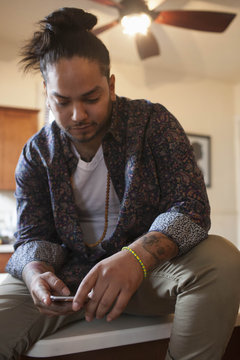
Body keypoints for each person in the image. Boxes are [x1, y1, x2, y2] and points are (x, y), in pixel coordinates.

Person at [0, 7, 239, 360]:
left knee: (222, 259)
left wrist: (135, 259)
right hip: (68, 285)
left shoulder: (152, 122)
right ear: (46, 92)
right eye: (62, 102)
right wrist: (35, 273)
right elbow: (33, 235)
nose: (78, 115)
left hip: (147, 276)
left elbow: (190, 208)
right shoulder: (37, 153)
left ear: (111, 86)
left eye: (91, 98)